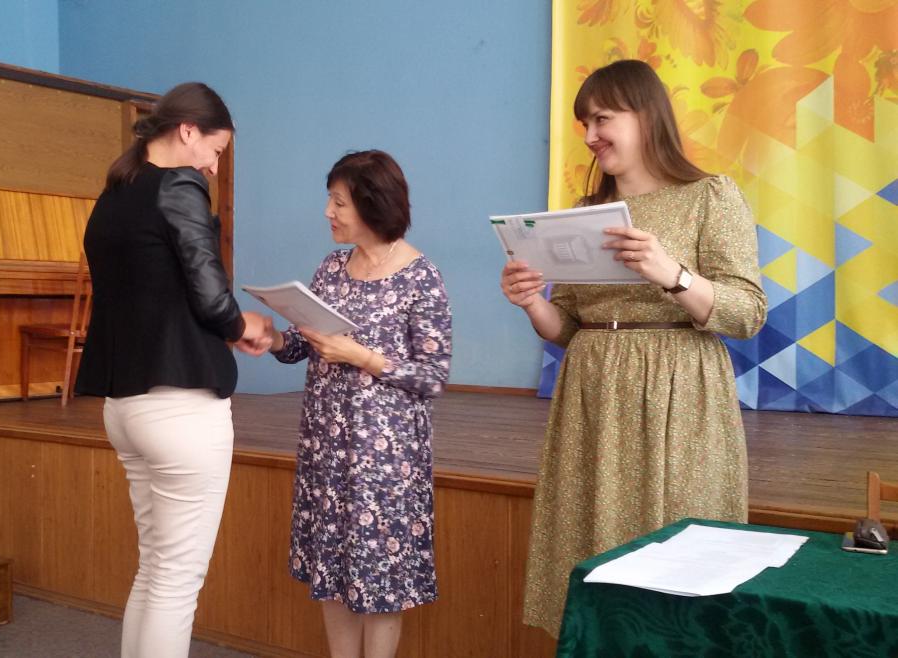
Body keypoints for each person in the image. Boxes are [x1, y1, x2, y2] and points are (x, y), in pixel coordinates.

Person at [501, 59, 767, 637]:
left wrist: (671, 273)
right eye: (585, 124)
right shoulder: (582, 215)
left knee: (679, 546)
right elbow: (568, 326)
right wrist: (531, 303)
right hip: (592, 393)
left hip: (679, 392)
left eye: (603, 119)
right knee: (590, 539)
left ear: (646, 116)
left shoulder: (709, 196)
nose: (591, 136)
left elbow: (747, 313)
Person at [74, 82, 272, 658]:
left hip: (125, 406)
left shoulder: (114, 194)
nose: (214, 166)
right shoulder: (179, 185)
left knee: (155, 571)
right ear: (188, 131)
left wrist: (227, 324)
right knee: (176, 580)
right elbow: (210, 296)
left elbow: (156, 292)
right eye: (216, 150)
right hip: (181, 408)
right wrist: (241, 325)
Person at [266, 150, 452, 658]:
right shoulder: (331, 267)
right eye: (330, 200)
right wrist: (273, 339)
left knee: (381, 577)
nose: (328, 212)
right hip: (327, 446)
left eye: (339, 202)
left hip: (385, 458)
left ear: (373, 204)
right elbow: (303, 343)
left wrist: (362, 356)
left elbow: (433, 377)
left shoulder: (421, 276)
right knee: (331, 572)